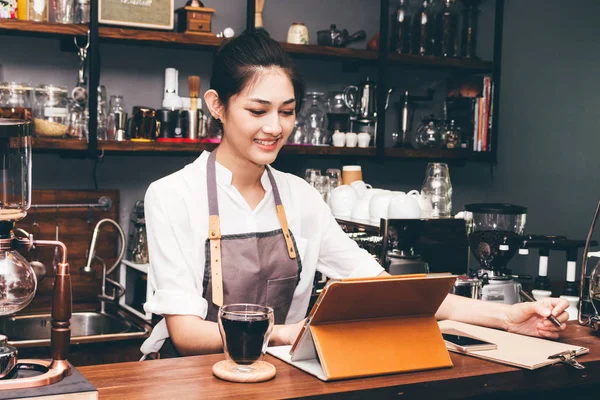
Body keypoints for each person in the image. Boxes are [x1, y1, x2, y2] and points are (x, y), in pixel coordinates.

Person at [140, 31, 569, 357]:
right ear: (217, 105)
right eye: (257, 110)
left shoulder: (301, 198)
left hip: (281, 376)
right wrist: (287, 332)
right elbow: (188, 333)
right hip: (190, 380)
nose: (274, 127)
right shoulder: (173, 196)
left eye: (286, 112)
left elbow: (387, 289)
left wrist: (507, 318)